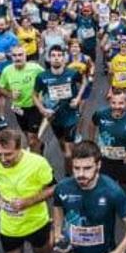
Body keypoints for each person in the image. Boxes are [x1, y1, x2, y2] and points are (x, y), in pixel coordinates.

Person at [34, 44, 87, 175]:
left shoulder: (72, 73)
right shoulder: (42, 77)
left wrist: (78, 98)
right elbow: (34, 95)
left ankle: (69, 176)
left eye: (59, 55)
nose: (56, 58)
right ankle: (71, 154)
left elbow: (84, 81)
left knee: (69, 154)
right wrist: (42, 109)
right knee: (62, 145)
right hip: (54, 118)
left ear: (64, 58)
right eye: (53, 56)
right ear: (49, 58)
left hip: (71, 117)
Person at [88, 88, 126, 194]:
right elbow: (92, 124)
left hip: (124, 162)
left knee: (124, 190)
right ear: (109, 102)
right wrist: (92, 143)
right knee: (105, 188)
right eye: (113, 103)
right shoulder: (101, 114)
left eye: (121, 103)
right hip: (105, 160)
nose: (117, 106)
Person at [0, 46, 45, 153]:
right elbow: (0, 88)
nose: (18, 58)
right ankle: (40, 145)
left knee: (32, 139)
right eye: (15, 55)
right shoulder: (7, 71)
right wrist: (10, 94)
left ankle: (39, 162)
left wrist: (42, 97)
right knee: (28, 137)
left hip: (34, 107)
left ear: (25, 56)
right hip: (18, 108)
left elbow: (46, 79)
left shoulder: (35, 68)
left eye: (20, 55)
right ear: (11, 57)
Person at [0, 17, 21, 128]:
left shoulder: (12, 38)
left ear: (6, 25)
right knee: (0, 94)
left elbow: (18, 53)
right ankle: (2, 117)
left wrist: (6, 55)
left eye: (2, 25)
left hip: (10, 70)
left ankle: (19, 108)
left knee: (14, 92)